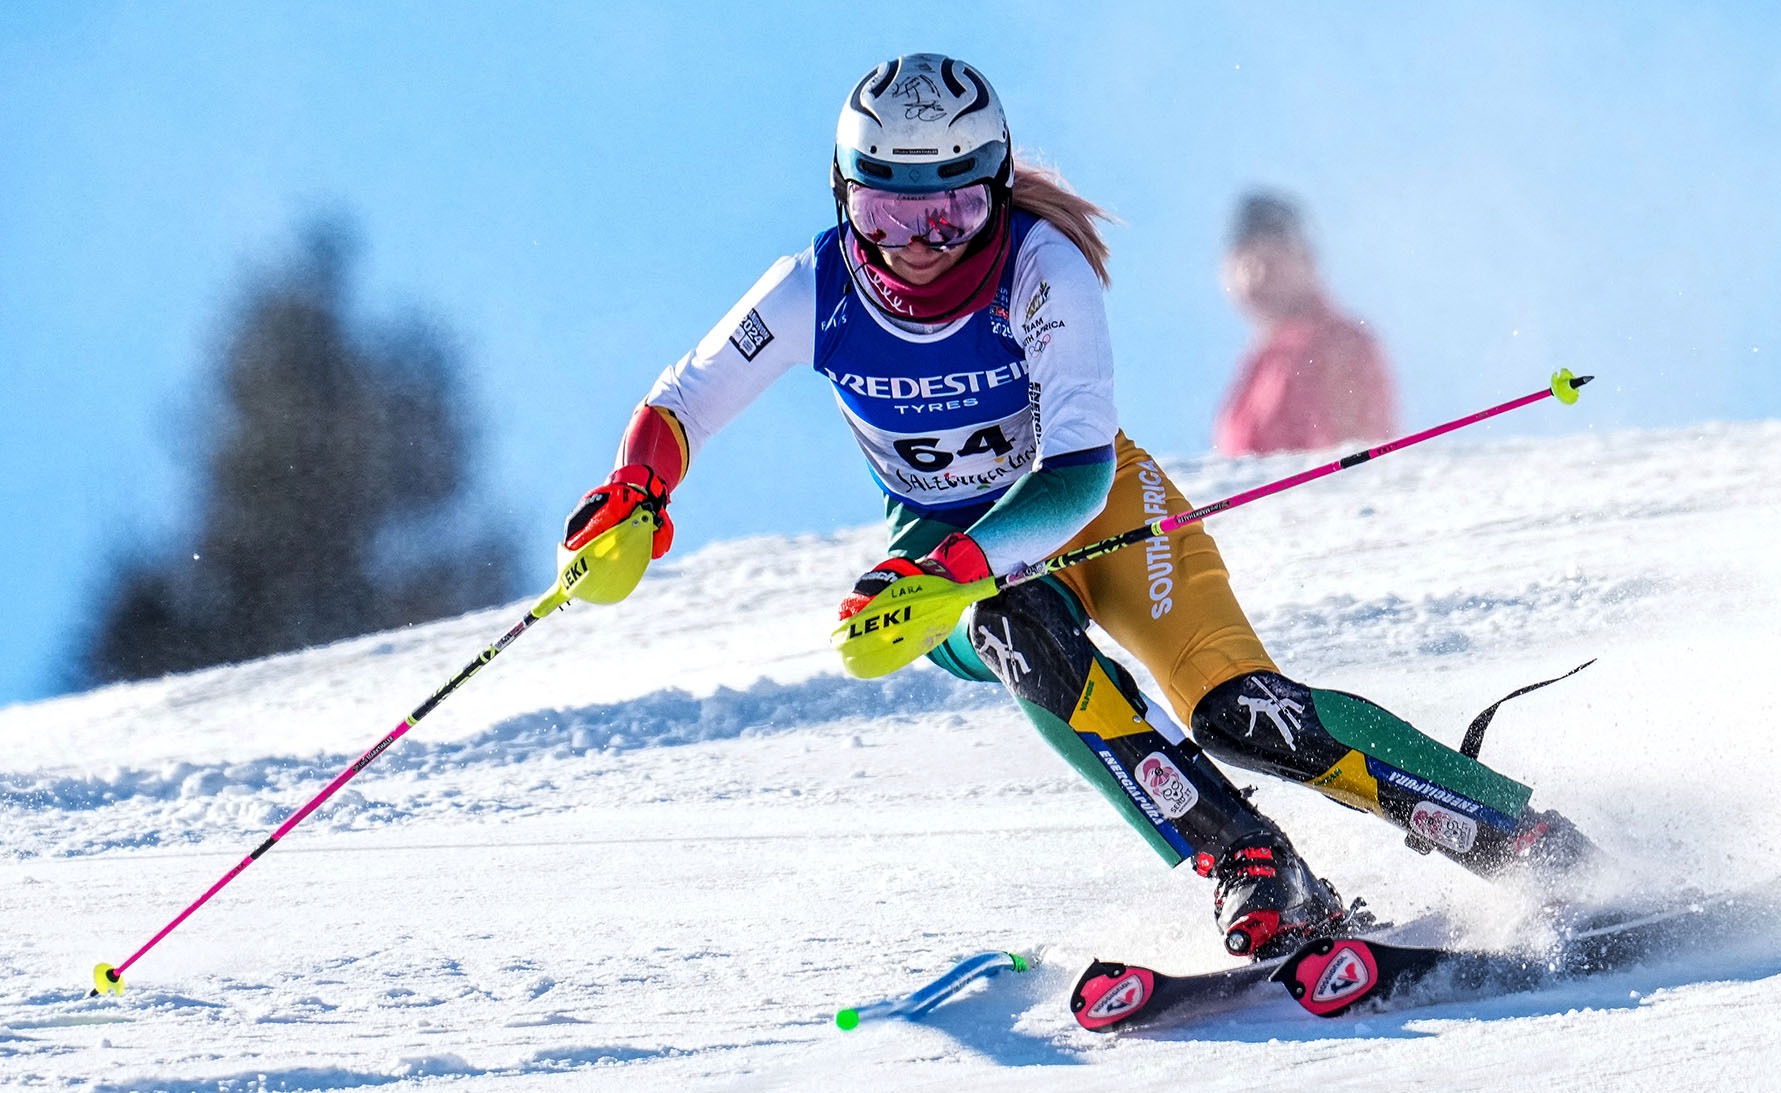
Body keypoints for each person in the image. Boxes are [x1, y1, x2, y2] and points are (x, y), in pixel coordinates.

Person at [563, 53, 1594, 961]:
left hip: (1096, 512)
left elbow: (1075, 474)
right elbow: (681, 403)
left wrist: (963, 569)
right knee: (1021, 634)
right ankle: (1252, 866)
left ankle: (1520, 837)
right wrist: (636, 492)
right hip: (938, 542)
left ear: (997, 194)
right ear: (845, 199)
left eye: (953, 213)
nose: (920, 248)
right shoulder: (816, 287)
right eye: (888, 215)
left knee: (1240, 710)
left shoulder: (1041, 268)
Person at [1213, 192, 1398, 456]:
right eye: (1245, 265)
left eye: (1271, 261)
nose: (1258, 279)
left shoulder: (1339, 343)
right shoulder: (1264, 361)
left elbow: (1355, 458)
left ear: (1307, 263)